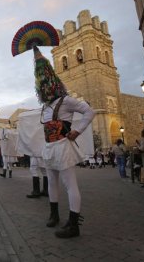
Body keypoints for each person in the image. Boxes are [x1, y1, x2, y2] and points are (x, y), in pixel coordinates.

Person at [31, 45, 95, 238]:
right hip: (50, 147)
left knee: (69, 184)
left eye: (43, 84)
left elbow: (89, 112)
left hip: (63, 147)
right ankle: (54, 215)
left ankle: (74, 225)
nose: (42, 88)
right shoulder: (46, 106)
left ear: (51, 83)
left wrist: (77, 131)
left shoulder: (66, 100)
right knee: (51, 182)